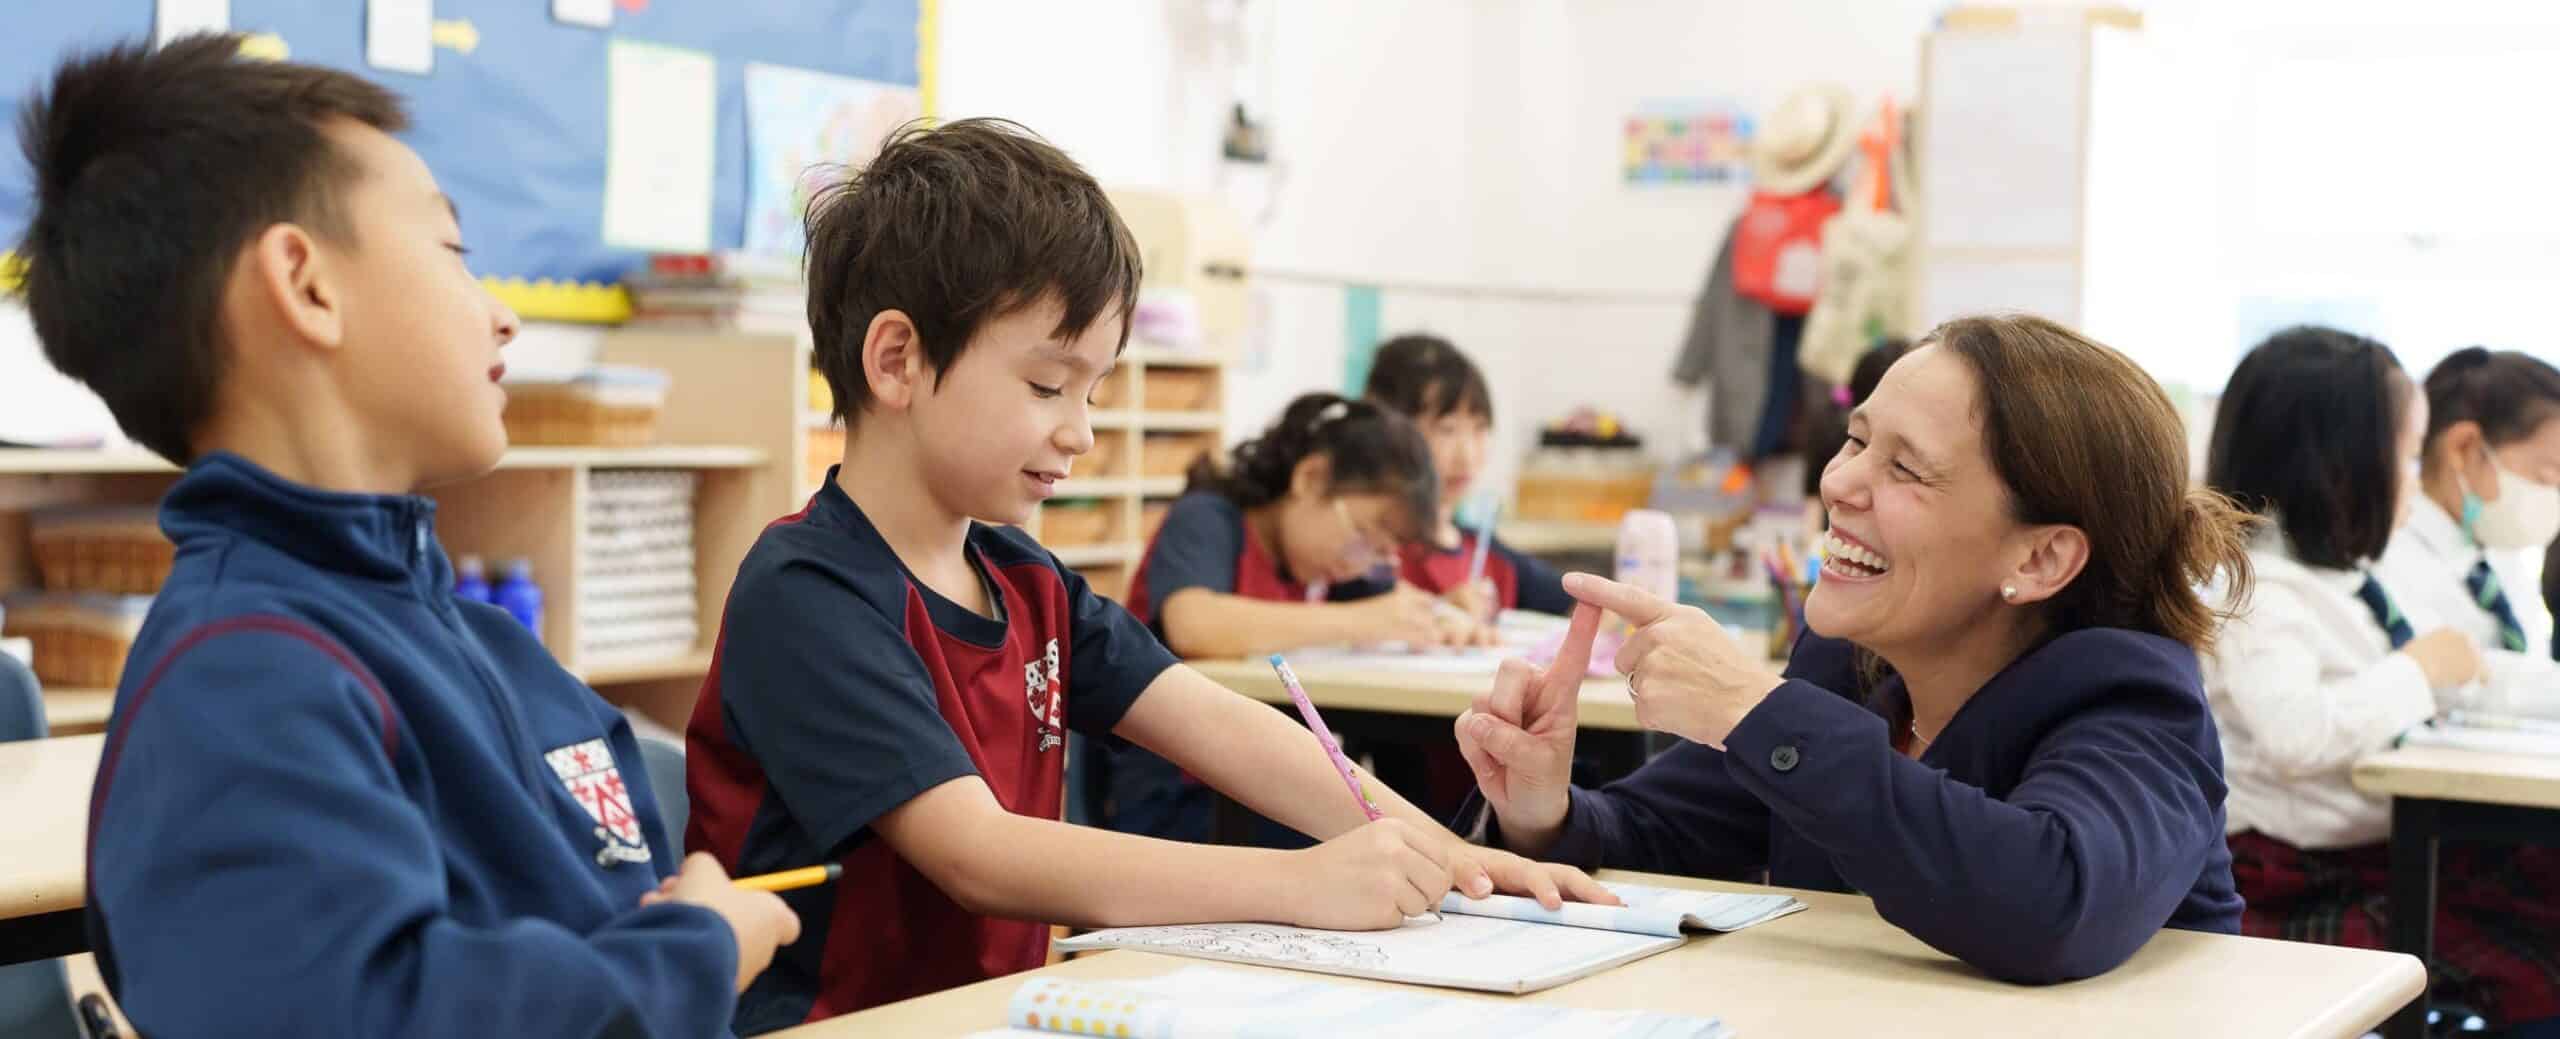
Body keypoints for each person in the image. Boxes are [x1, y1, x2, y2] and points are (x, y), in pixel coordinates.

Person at [683, 118, 1605, 1032]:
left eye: (1095, 391)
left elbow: (1223, 725)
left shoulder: (1021, 578)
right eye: (1048, 386)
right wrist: (1299, 882)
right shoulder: (808, 590)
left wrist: (1461, 861)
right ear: (898, 360)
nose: (1079, 430)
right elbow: (980, 854)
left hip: (990, 1017)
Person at [22, 35, 794, 1034]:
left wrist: (680, 940)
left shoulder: (501, 656)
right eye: (452, 253)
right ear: (305, 285)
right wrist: (693, 953)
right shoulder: (241, 683)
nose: (505, 315)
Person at [1455, 314, 2249, 983]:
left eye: (1903, 466)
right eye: (1856, 439)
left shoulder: (2133, 697)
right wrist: (1540, 810)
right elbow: (1654, 831)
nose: (1839, 483)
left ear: (2038, 559)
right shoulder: (1849, 663)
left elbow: (2051, 902)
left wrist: (1754, 709)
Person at [2207, 327, 2560, 1031]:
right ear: (2334, 464)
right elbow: (2295, 734)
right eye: (2403, 453)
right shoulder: (2257, 590)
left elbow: (2469, 676)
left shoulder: (2341, 581)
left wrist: (2433, 672)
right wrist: (2414, 670)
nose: (2413, 472)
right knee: (2531, 966)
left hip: (2379, 854)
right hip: (2294, 876)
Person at [1359, 333, 1569, 619]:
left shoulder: (1486, 552)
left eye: (1480, 428)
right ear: (1389, 433)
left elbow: (1577, 602)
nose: (1467, 455)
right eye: (1447, 429)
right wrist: (1438, 613)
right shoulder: (1362, 553)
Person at [2376, 347, 2560, 673]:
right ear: (2464, 447)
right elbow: (2468, 684)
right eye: (2546, 477)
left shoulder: (2500, 561)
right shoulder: (2386, 560)